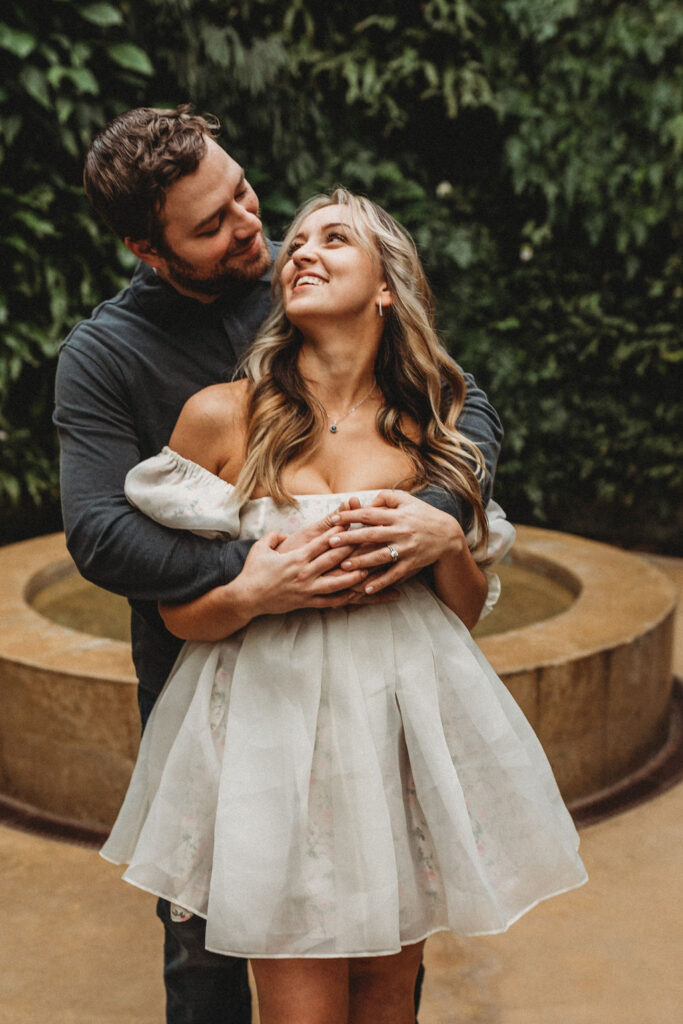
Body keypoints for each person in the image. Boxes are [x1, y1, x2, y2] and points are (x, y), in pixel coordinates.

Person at [54, 106, 504, 1024]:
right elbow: (99, 531)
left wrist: (436, 519)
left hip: (380, 698)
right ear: (150, 248)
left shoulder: (306, 278)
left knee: (386, 926)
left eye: (244, 194)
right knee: (209, 942)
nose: (251, 230)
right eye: (212, 226)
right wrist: (259, 573)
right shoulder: (108, 358)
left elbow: (461, 406)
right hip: (221, 674)